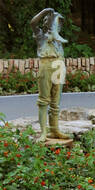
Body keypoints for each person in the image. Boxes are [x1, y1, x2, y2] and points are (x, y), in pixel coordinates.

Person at [30, 8, 69, 140]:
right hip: (46, 65)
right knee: (43, 100)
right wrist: (44, 12)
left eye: (57, 22)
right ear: (45, 23)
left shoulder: (58, 39)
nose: (56, 24)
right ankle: (43, 133)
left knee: (55, 101)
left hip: (59, 65)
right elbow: (33, 23)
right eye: (51, 20)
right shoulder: (41, 35)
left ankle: (55, 130)